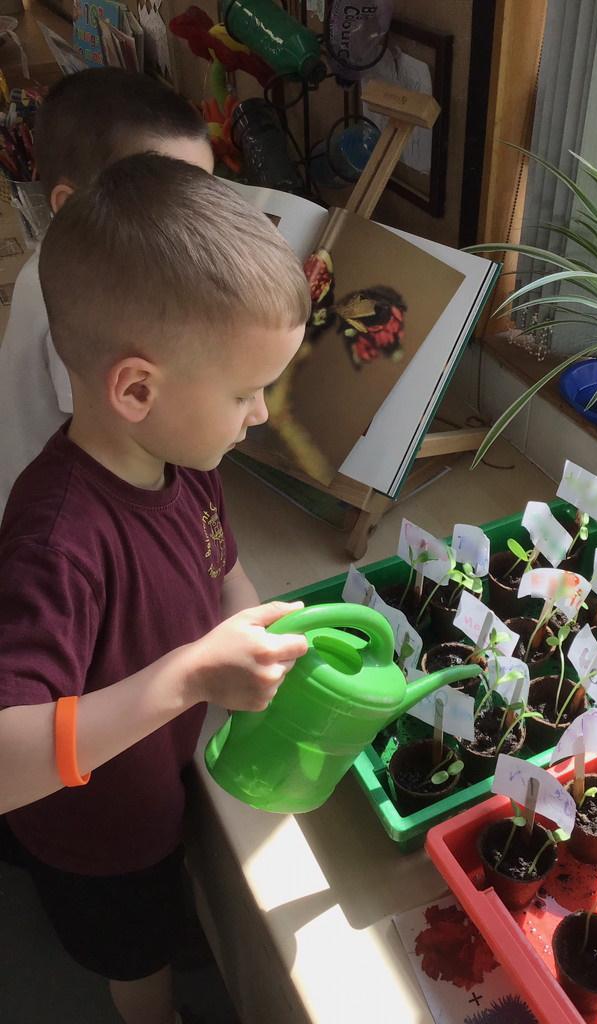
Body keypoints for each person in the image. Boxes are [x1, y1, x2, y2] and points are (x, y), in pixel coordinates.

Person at [0, 153, 310, 1024]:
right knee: (134, 950)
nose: (260, 414)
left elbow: (222, 571)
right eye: (246, 392)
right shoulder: (58, 542)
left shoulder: (186, 460)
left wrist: (258, 633)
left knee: (162, 903)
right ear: (137, 388)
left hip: (158, 781)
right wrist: (189, 676)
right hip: (95, 834)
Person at [0, 68, 215, 514]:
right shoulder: (79, 298)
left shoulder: (76, 264)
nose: (196, 227)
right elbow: (119, 435)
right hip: (57, 508)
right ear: (69, 207)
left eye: (203, 200)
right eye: (164, 202)